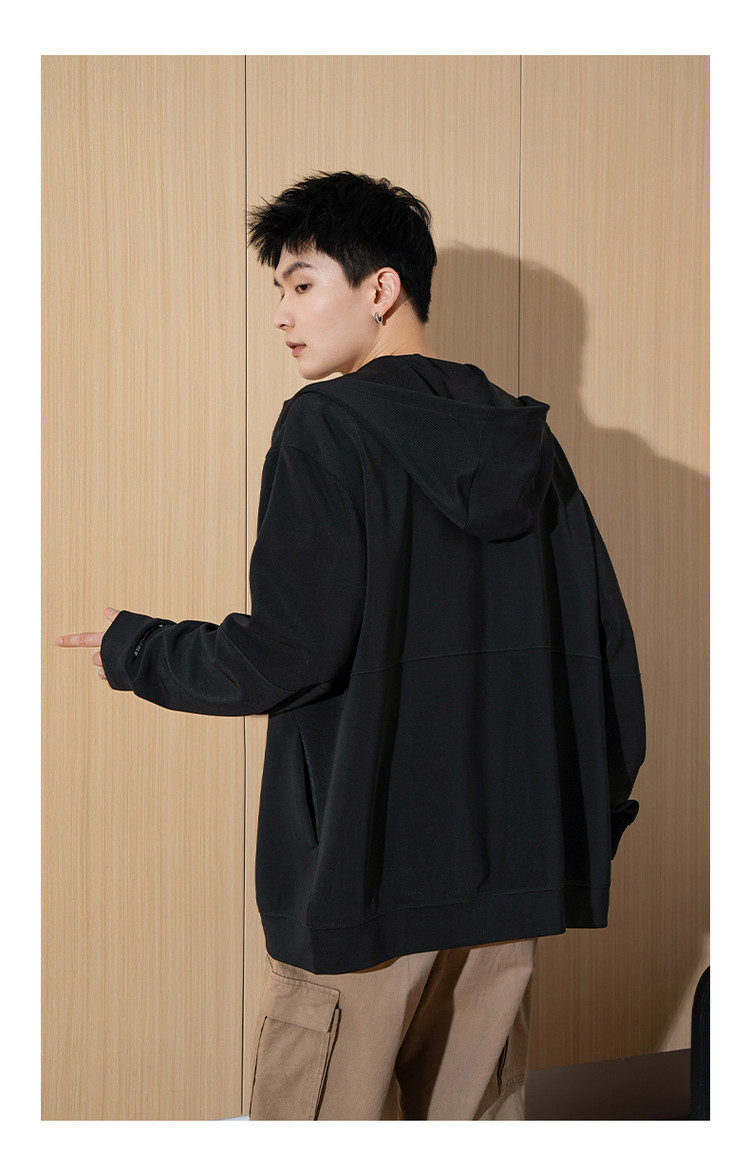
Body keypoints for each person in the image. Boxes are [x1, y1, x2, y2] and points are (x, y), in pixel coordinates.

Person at [57, 170, 646, 1121]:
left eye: (301, 283)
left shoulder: (325, 426)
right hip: (513, 888)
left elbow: (290, 653)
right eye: (278, 291)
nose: (282, 315)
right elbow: (604, 655)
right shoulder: (528, 445)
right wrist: (578, 831)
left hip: (364, 881)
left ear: (381, 288)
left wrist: (140, 651)